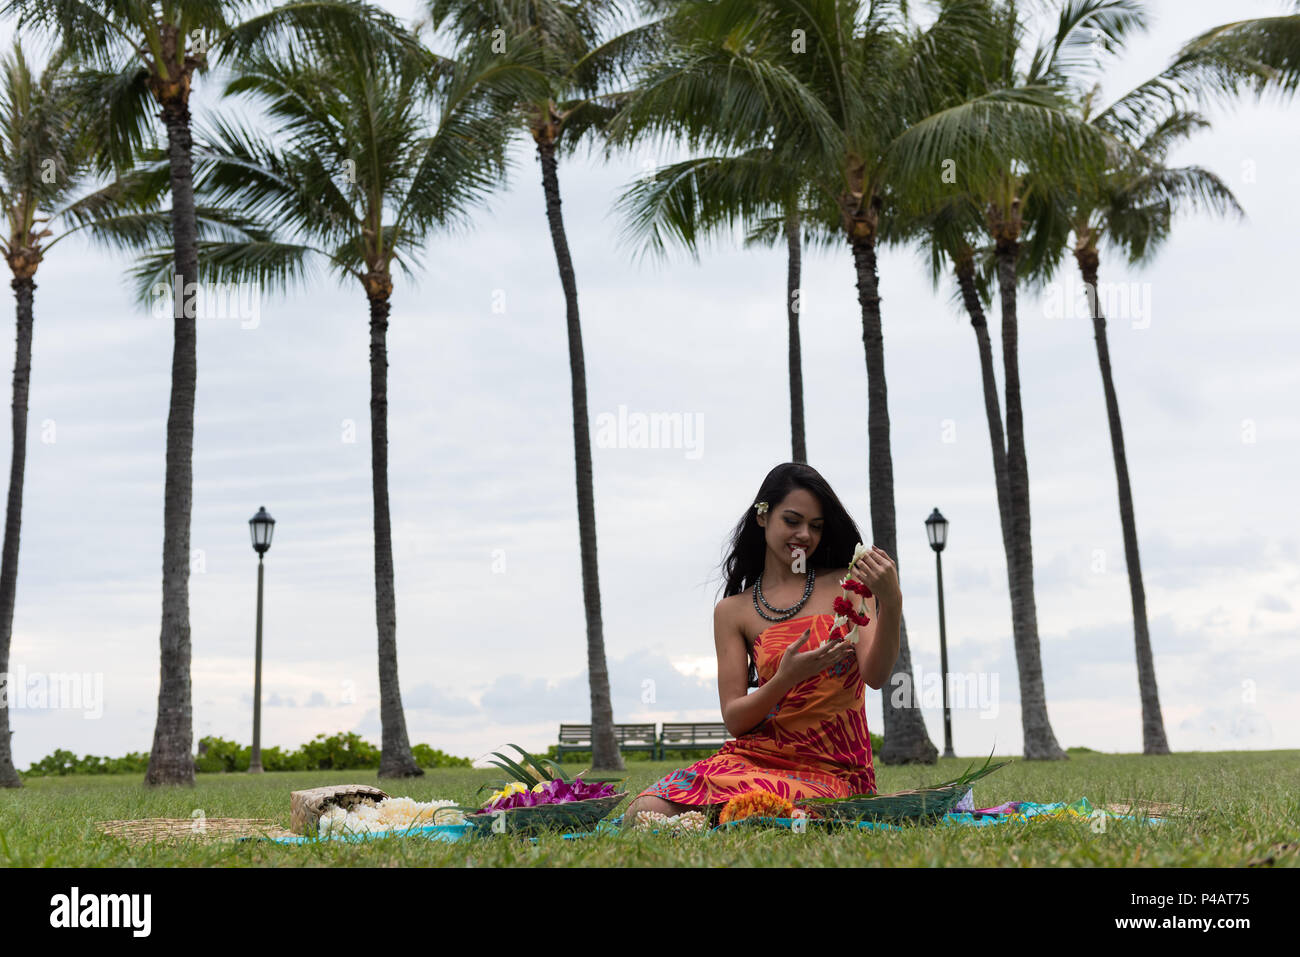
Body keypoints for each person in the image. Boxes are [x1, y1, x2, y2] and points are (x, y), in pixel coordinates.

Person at [622, 462, 902, 828]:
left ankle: (735, 818)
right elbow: (736, 719)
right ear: (762, 516)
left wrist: (891, 600)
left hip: (832, 768)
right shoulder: (732, 612)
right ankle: (725, 818)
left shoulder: (847, 585)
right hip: (755, 758)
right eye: (792, 520)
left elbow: (877, 676)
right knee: (642, 812)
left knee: (764, 814)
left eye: (815, 526)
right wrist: (786, 678)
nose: (804, 535)